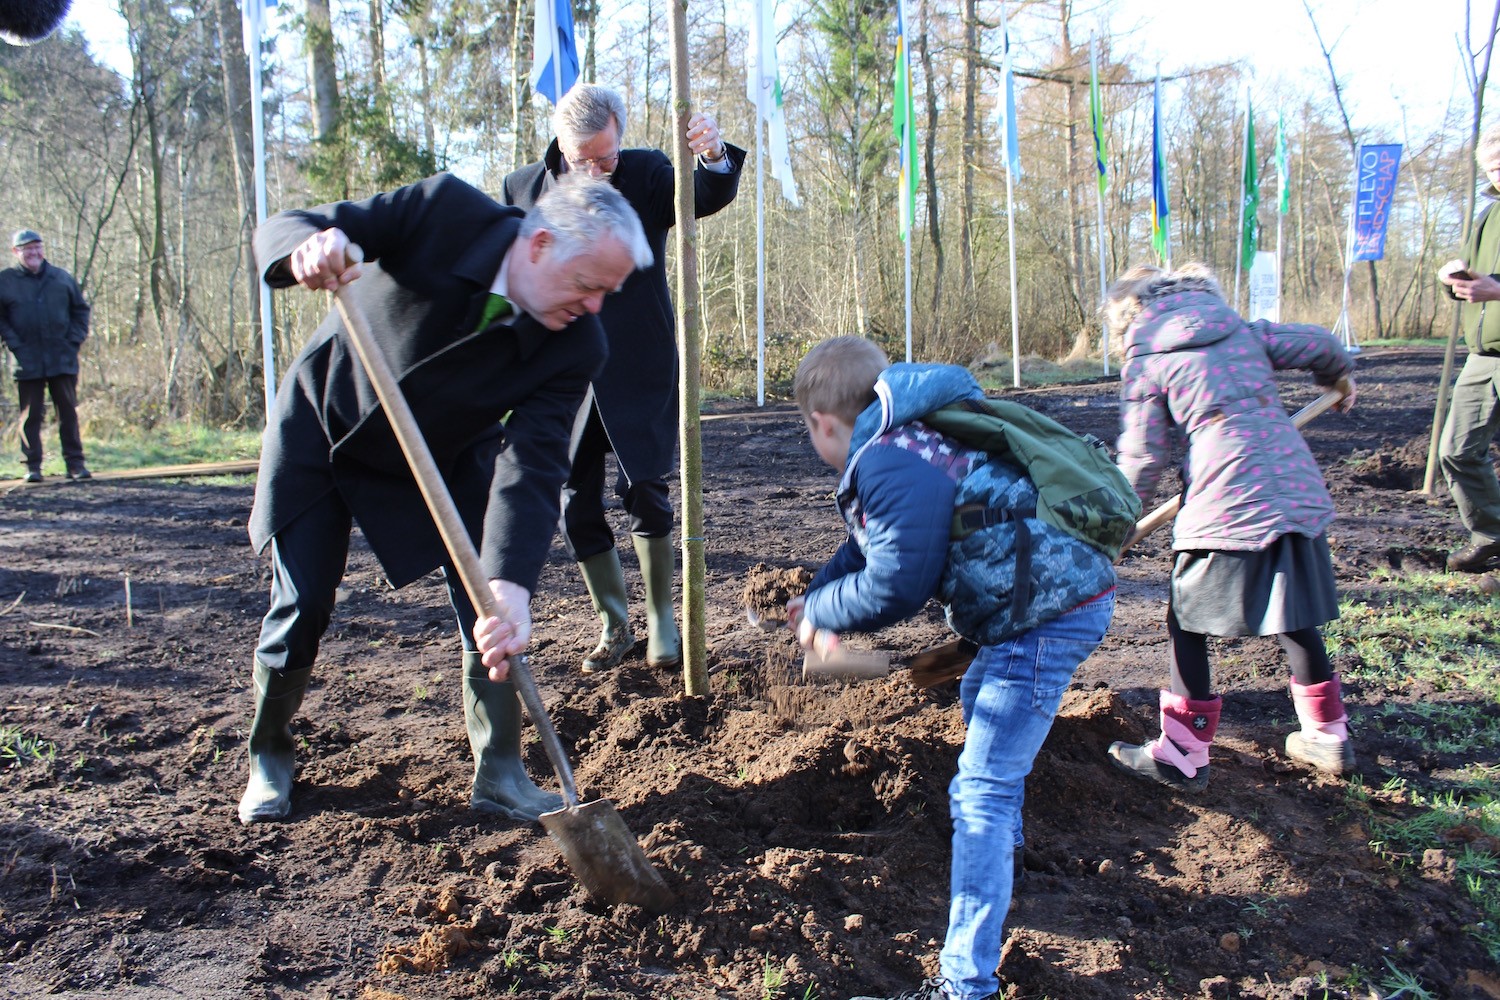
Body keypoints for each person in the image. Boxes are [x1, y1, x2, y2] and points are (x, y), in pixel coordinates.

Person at [237, 173, 653, 826]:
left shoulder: (577, 344)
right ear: (540, 244)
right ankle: (270, 752)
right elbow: (290, 222)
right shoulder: (445, 212)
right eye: (588, 284)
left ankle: (502, 773)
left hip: (448, 451)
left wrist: (512, 584)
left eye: (609, 290)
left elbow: (535, 463)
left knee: (489, 609)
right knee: (304, 600)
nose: (596, 305)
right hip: (328, 426)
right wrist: (309, 250)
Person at [772, 336, 1116, 1000]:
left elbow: (899, 582)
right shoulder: (908, 434)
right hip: (1049, 597)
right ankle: (1005, 852)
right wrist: (816, 597)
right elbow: (869, 542)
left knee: (979, 790)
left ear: (820, 423)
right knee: (983, 698)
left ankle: (966, 983)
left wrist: (831, 617)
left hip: (1042, 612)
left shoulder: (882, 460)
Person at [501, 83, 744, 674]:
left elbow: (705, 195)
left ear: (621, 139)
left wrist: (711, 157)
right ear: (560, 143)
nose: (594, 169)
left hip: (638, 362)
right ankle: (615, 624)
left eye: (605, 157)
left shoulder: (648, 173)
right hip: (560, 374)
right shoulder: (521, 187)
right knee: (573, 502)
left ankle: (663, 622)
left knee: (646, 490)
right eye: (581, 157)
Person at [1103, 263, 1358, 793]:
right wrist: (1337, 378)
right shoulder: (1239, 328)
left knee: (1187, 622)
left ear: (1128, 319)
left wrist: (1112, 524)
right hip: (1293, 490)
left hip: (1227, 497)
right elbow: (1320, 343)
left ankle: (1181, 753)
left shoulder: (1147, 356)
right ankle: (1327, 733)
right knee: (1292, 612)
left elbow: (1144, 457)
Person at [1436, 122, 1500, 574]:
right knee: (1456, 450)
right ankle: (1492, 535)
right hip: (1484, 356)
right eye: (1493, 167)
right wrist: (1452, 280)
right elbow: (1479, 284)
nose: (1499, 173)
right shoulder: (1488, 217)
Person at [0, 228, 92, 483]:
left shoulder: (61, 278)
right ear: (16, 252)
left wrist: (73, 340)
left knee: (68, 413)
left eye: (37, 247)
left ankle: (75, 465)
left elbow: (81, 310)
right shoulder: (5, 281)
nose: (34, 253)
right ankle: (32, 466)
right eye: (28, 249)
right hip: (26, 360)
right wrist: (14, 344)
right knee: (30, 415)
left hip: (62, 357)